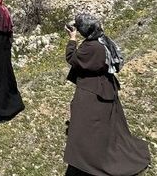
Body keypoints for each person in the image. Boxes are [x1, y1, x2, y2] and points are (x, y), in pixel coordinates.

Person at [64, 13, 150, 176]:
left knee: (88, 124)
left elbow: (72, 58)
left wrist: (72, 38)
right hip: (106, 86)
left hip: (92, 90)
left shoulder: (90, 47)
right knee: (109, 123)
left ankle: (93, 158)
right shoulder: (102, 40)